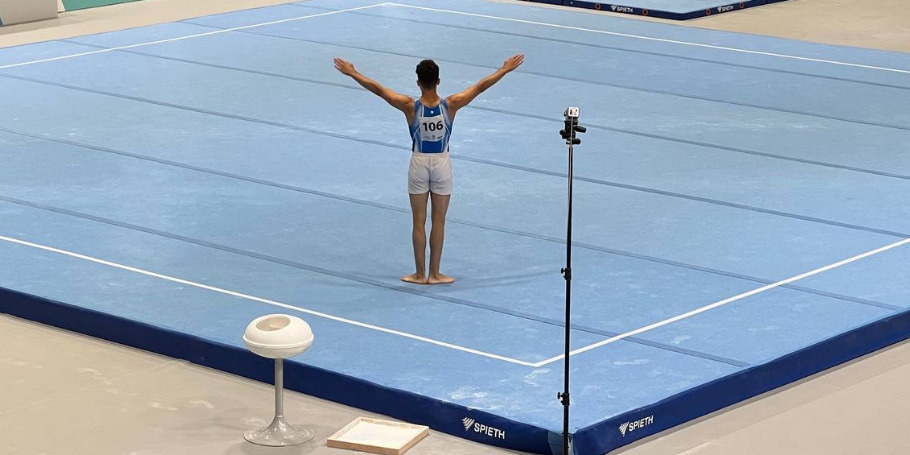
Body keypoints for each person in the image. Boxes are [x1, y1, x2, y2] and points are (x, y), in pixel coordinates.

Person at [334, 54, 525, 285]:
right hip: (442, 163)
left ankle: (419, 274)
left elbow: (379, 90)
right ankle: (435, 274)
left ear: (418, 83)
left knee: (418, 221)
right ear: (438, 81)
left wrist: (353, 73)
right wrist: (504, 70)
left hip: (419, 163)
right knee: (439, 221)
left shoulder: (409, 106)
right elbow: (479, 87)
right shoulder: (451, 104)